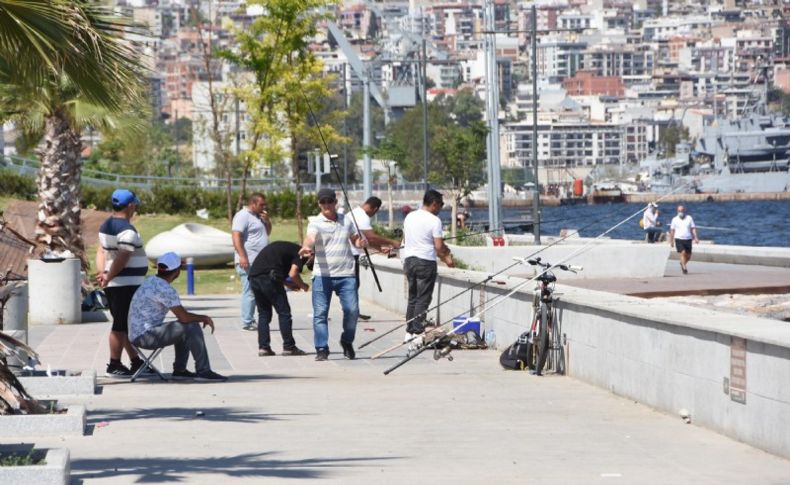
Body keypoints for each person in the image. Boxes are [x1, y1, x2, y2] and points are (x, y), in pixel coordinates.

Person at [128, 252, 226, 381]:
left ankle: (180, 370)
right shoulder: (166, 289)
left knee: (183, 325)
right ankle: (203, 371)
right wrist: (204, 318)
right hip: (145, 337)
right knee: (190, 325)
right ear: (177, 271)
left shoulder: (151, 281)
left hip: (137, 335)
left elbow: (182, 318)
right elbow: (184, 317)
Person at [299, 188, 367, 361]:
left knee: (352, 311)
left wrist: (361, 241)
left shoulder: (346, 221)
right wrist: (307, 247)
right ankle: (322, 348)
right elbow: (310, 238)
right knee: (320, 314)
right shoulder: (316, 222)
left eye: (330, 201)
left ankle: (347, 341)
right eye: (323, 202)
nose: (327, 205)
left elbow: (355, 240)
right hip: (322, 275)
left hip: (346, 274)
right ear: (319, 204)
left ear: (335, 202)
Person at [96, 189, 149, 377]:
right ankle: (114, 364)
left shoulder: (106, 225)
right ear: (130, 206)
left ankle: (135, 361)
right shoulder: (127, 231)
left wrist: (102, 272)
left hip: (116, 283)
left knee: (123, 324)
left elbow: (101, 251)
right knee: (120, 325)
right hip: (124, 285)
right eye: (134, 205)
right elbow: (122, 258)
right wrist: (108, 276)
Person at [401, 190, 454, 336]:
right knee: (423, 298)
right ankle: (418, 331)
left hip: (409, 260)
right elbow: (438, 246)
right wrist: (448, 257)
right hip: (425, 262)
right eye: (441, 205)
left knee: (413, 297)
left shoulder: (410, 216)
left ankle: (410, 330)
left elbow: (406, 240)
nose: (441, 208)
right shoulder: (434, 220)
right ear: (434, 203)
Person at [248, 241, 311, 357]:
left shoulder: (286, 248)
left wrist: (289, 285)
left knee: (263, 313)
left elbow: (276, 269)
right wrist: (303, 286)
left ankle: (264, 348)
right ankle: (289, 347)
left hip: (254, 277)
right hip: (269, 277)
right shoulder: (300, 253)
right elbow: (293, 274)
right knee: (284, 313)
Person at [347, 197, 401, 320]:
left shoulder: (355, 212)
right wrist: (392, 242)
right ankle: (351, 312)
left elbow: (365, 239)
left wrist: (379, 248)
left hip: (351, 252)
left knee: (354, 283)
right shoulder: (363, 217)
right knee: (352, 284)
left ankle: (353, 311)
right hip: (351, 254)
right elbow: (371, 237)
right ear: (375, 209)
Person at [232, 193, 272, 331]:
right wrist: (242, 256)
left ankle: (252, 319)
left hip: (260, 261)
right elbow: (236, 236)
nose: (264, 207)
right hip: (248, 261)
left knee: (258, 291)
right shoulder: (242, 216)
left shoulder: (258, 216)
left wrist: (267, 221)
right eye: (261, 205)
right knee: (249, 291)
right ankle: (247, 321)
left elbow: (267, 233)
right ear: (253, 204)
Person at [669, 205, 700, 275]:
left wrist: (696, 237)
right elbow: (672, 230)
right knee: (683, 252)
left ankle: (682, 263)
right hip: (679, 238)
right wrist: (671, 241)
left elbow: (693, 228)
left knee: (688, 256)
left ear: (684, 211)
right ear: (677, 211)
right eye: (679, 211)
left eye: (682, 211)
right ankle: (684, 268)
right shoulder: (674, 219)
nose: (681, 212)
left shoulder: (689, 218)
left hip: (688, 239)